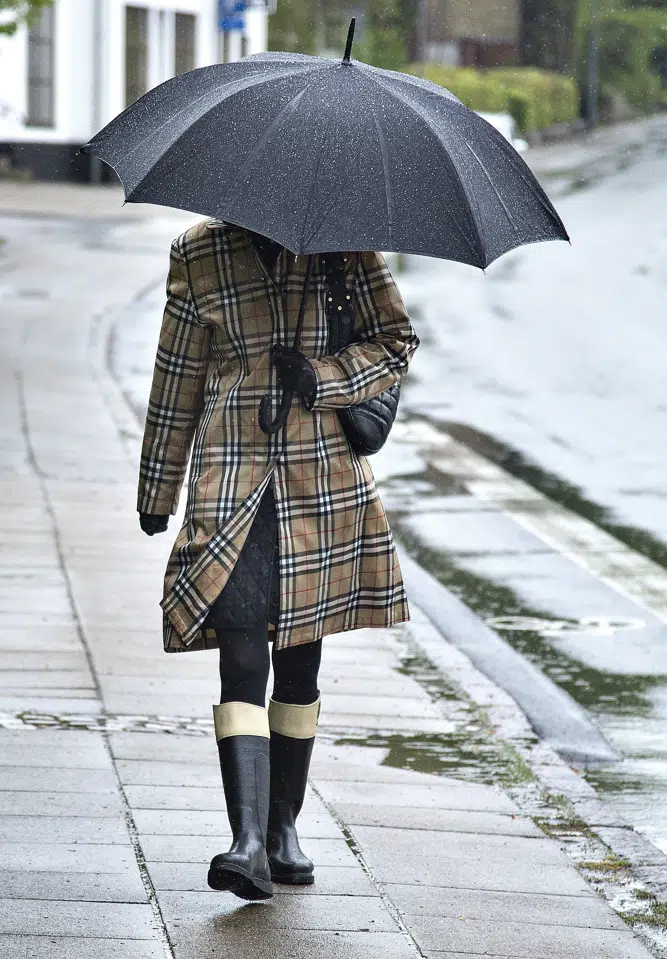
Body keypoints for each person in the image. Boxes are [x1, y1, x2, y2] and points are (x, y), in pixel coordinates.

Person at [136, 218, 419, 901]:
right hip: (229, 483)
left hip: (317, 486)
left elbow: (395, 344)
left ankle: (284, 827)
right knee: (240, 651)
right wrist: (157, 485)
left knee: (299, 662)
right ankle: (247, 840)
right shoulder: (198, 253)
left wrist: (321, 377)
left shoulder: (342, 248)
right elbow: (177, 375)